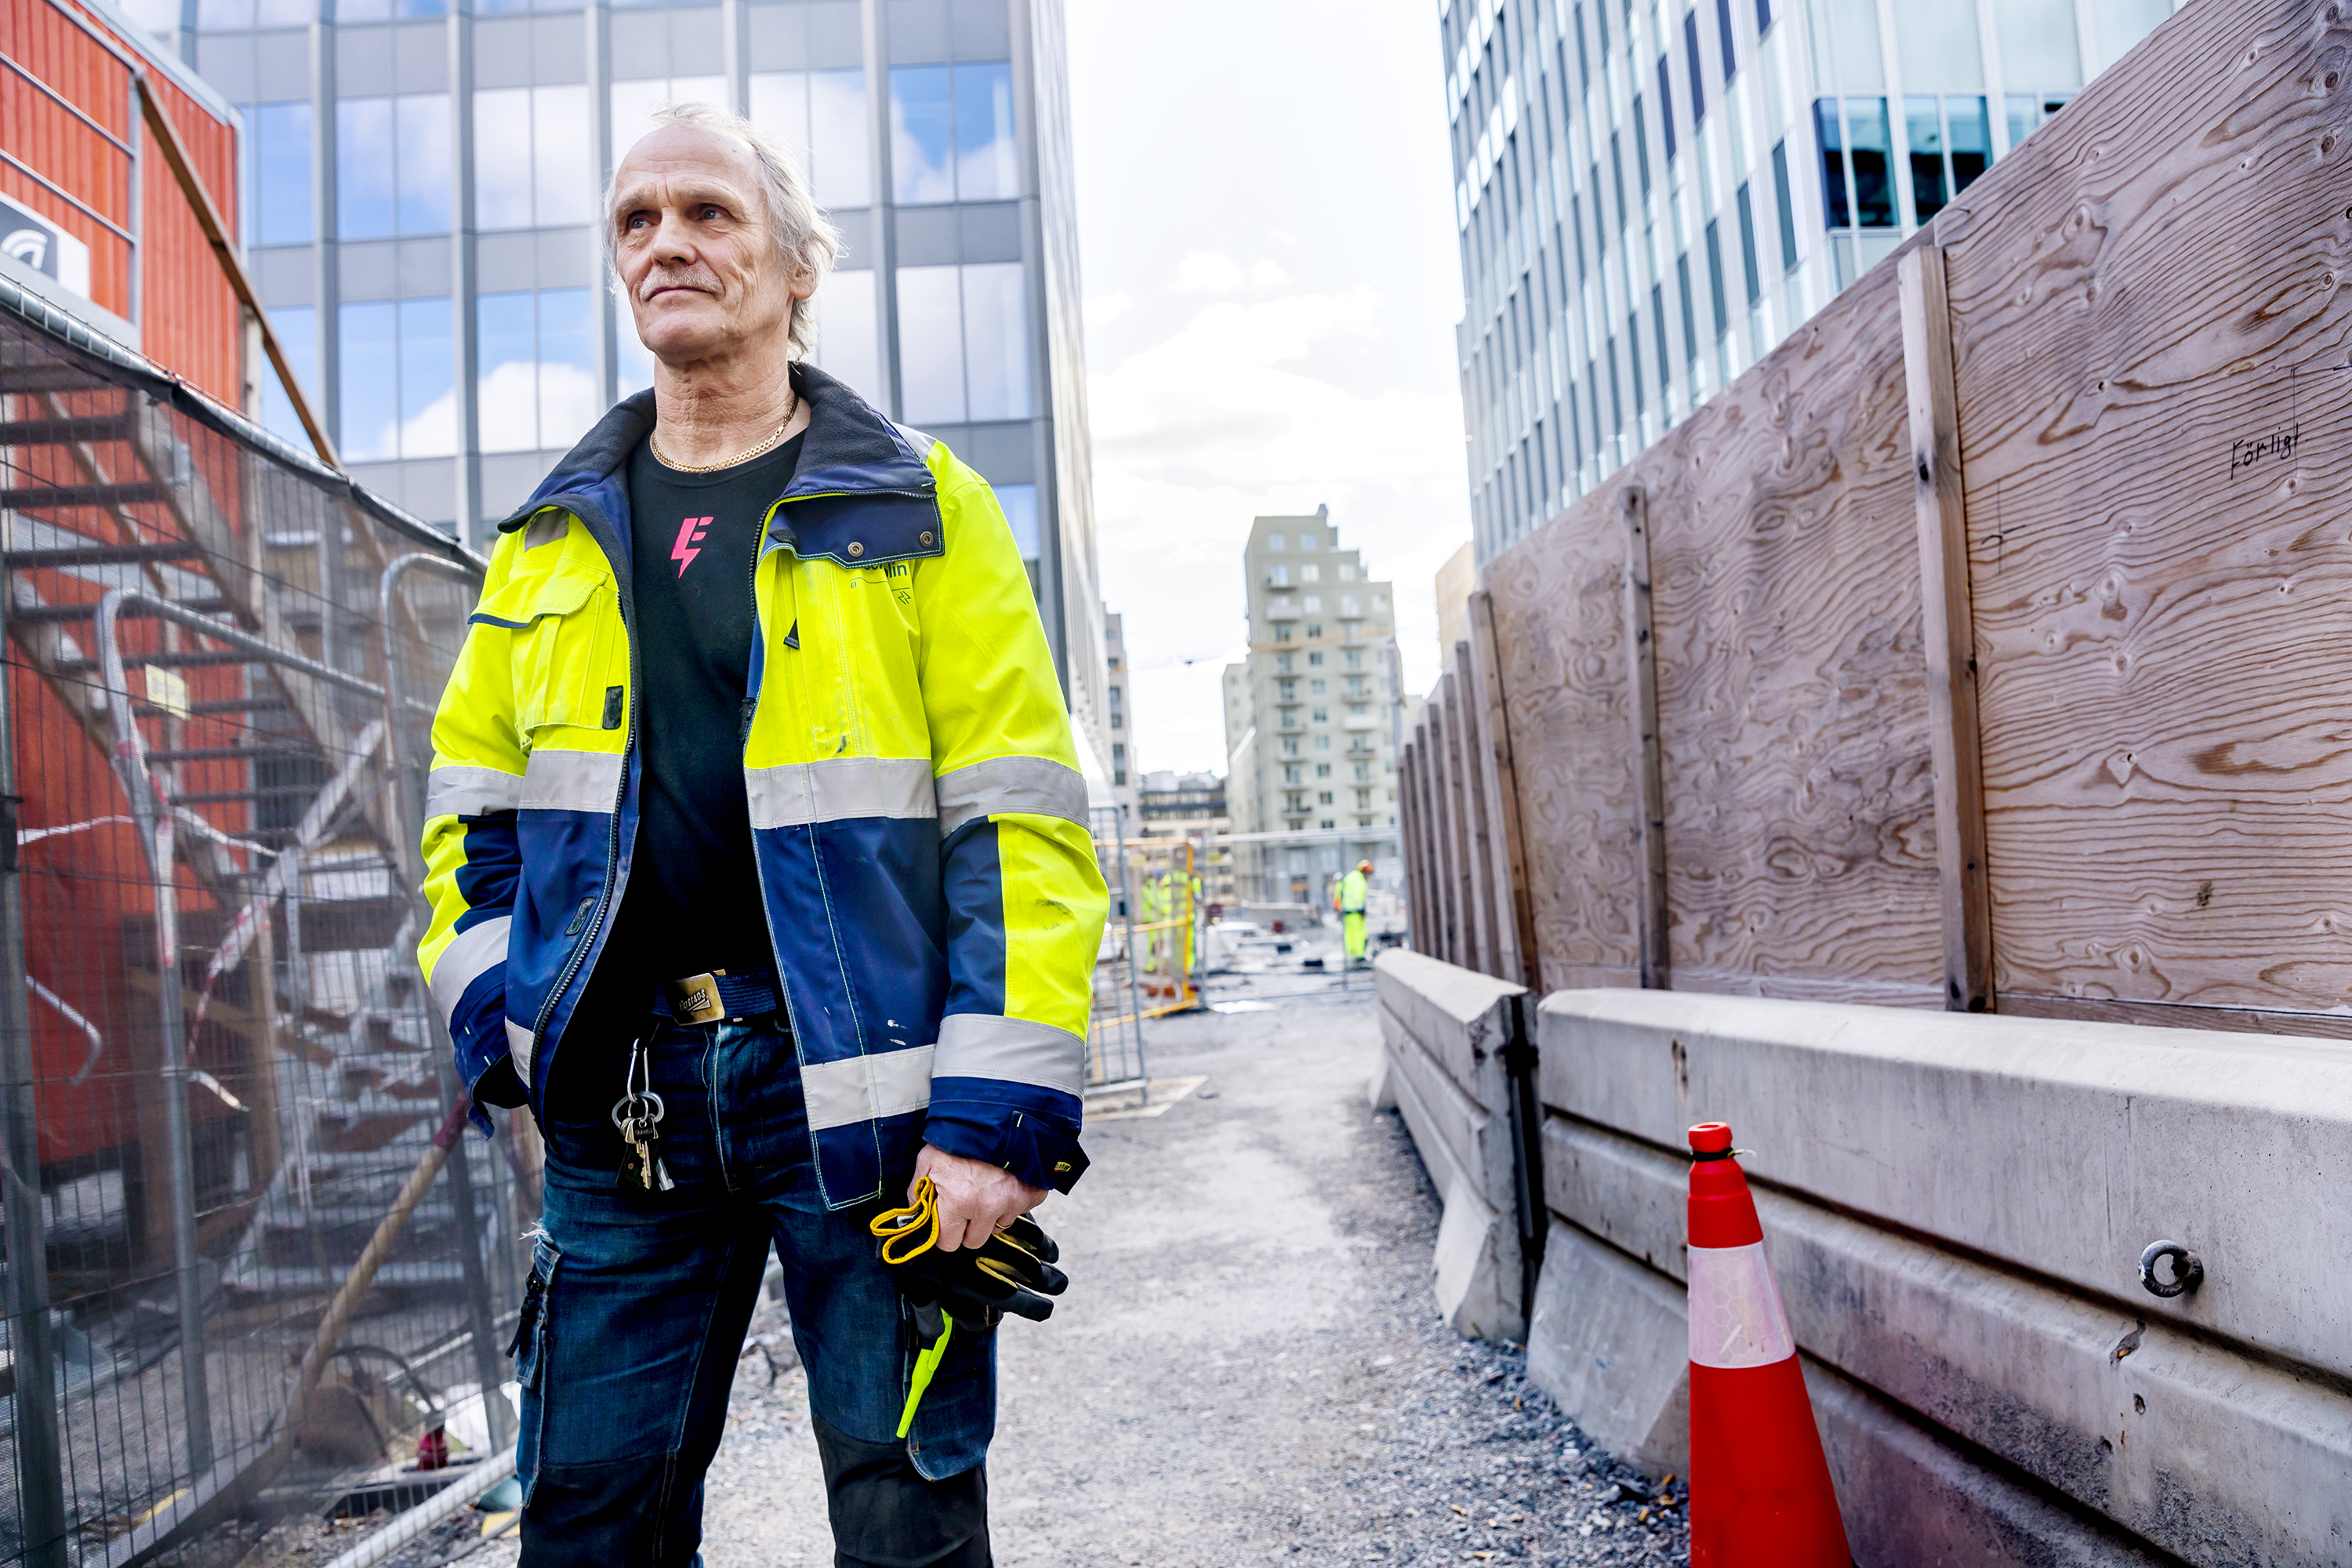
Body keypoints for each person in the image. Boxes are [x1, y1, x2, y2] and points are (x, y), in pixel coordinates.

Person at [416, 101, 1107, 1566]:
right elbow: (467, 819)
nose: (666, 240)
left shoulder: (923, 509)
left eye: (708, 213)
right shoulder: (546, 542)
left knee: (906, 1514)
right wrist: (505, 1029)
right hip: (621, 1108)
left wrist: (998, 1116)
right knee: (590, 1525)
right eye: (635, 220)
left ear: (798, 267)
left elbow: (1021, 828)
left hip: (864, 1096)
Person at [1338, 859, 1371, 965]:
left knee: (1349, 934)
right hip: (1356, 912)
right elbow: (1358, 896)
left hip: (1347, 912)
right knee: (1360, 933)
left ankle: (1351, 955)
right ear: (1365, 871)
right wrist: (1362, 909)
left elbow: (1340, 892)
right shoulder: (1359, 880)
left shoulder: (1349, 877)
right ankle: (1359, 955)